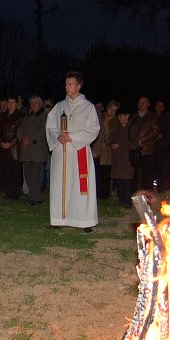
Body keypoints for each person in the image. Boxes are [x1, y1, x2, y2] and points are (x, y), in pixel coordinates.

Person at [45, 72, 99, 231]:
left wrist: (72, 137)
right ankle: (59, 219)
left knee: (78, 187)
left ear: (79, 86)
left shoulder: (88, 107)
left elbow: (94, 129)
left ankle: (83, 221)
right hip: (61, 152)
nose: (67, 87)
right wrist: (58, 136)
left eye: (70, 84)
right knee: (60, 184)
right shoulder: (59, 106)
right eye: (66, 84)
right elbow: (50, 126)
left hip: (78, 152)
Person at [18, 95, 49, 205]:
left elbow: (43, 131)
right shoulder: (28, 116)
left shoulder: (45, 115)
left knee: (35, 175)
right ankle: (36, 195)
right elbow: (20, 129)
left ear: (40, 104)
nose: (33, 105)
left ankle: (33, 198)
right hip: (26, 150)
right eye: (31, 103)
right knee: (27, 174)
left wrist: (30, 139)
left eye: (35, 103)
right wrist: (22, 138)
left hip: (37, 150)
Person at [0, 96, 24, 199]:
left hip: (15, 149)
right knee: (6, 171)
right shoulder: (2, 115)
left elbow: (20, 132)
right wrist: (1, 143)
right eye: (9, 102)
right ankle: (8, 193)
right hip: (4, 148)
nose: (10, 104)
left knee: (16, 172)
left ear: (16, 104)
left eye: (13, 102)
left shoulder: (21, 116)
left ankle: (16, 194)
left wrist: (11, 144)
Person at [132, 96, 161, 190]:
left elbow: (155, 131)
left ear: (148, 104)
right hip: (134, 151)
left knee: (147, 176)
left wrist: (142, 140)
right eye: (139, 102)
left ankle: (147, 197)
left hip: (147, 150)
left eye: (143, 103)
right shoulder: (133, 117)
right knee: (135, 175)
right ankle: (135, 196)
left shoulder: (152, 117)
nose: (141, 104)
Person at [108, 108, 135, 207]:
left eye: (122, 116)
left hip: (126, 159)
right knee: (119, 181)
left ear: (127, 116)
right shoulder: (117, 127)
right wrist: (112, 144)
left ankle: (127, 202)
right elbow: (112, 139)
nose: (120, 118)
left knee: (126, 181)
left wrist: (120, 145)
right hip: (117, 159)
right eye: (119, 116)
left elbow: (134, 144)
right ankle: (121, 201)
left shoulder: (132, 127)